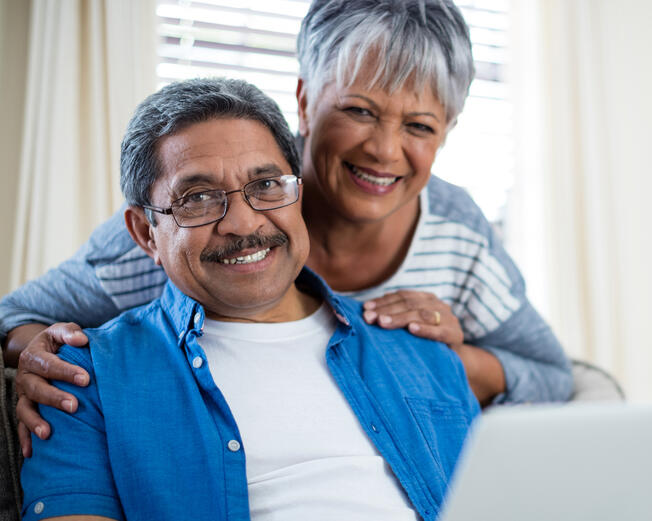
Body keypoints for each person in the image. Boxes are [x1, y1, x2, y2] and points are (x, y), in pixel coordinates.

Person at [1, 0, 572, 457]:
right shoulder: (198, 226)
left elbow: (553, 375)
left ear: (447, 131)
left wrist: (448, 360)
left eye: (419, 125)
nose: (383, 150)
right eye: (359, 111)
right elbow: (14, 317)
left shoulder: (458, 233)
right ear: (304, 101)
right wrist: (42, 356)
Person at [20, 77, 479, 521]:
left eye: (266, 186)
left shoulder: (419, 344)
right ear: (146, 234)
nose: (242, 223)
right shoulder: (84, 376)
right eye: (198, 198)